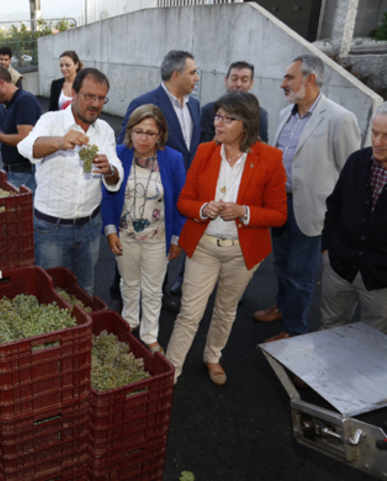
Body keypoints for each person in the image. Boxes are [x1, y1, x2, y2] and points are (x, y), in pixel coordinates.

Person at [165, 92, 287, 384]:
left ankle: (213, 357)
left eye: (226, 118)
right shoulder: (205, 151)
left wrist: (244, 212)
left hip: (242, 253)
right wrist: (203, 208)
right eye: (217, 116)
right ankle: (171, 369)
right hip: (204, 246)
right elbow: (184, 202)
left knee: (226, 311)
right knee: (189, 312)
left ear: (246, 123)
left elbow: (278, 214)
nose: (217, 123)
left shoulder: (271, 158)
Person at [254, 54, 361, 342]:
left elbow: (350, 173)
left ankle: (294, 329)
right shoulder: (284, 114)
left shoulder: (340, 118)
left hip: (313, 210)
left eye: (289, 78)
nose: (282, 84)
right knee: (281, 265)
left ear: (310, 79)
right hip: (279, 204)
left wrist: (340, 221)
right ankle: (282, 305)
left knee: (301, 274)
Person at [18, 68, 123, 296]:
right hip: (51, 228)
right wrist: (59, 141)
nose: (95, 103)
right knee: (50, 292)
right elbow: (25, 147)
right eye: (89, 96)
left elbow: (116, 175)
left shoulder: (104, 130)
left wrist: (109, 170)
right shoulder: (52, 120)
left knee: (85, 290)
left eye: (101, 98)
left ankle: (81, 331)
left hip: (90, 227)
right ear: (74, 94)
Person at [114, 50, 202, 310]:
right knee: (130, 248)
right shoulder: (144, 102)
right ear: (177, 75)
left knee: (161, 243)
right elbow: (125, 144)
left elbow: (188, 150)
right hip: (142, 190)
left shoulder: (194, 105)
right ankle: (120, 297)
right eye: (193, 72)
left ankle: (157, 292)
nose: (197, 78)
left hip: (175, 189)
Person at [101, 104, 186, 353]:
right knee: (128, 284)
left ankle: (150, 335)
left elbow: (180, 201)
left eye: (150, 132)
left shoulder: (172, 159)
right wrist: (110, 231)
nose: (143, 138)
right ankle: (130, 323)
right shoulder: (118, 154)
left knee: (152, 290)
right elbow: (107, 195)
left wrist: (176, 237)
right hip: (125, 236)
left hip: (157, 237)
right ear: (129, 130)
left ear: (160, 134)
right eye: (138, 131)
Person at [320, 103, 387, 334]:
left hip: (381, 283)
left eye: (386, 136)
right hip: (339, 267)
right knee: (330, 330)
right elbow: (335, 204)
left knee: (373, 344)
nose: (377, 142)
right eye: (375, 133)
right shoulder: (357, 160)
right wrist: (327, 249)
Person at [0, 66, 42, 190]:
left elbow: (24, 139)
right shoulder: (11, 103)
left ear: (1, 83)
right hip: (16, 173)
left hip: (24, 174)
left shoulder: (24, 101)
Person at [200, 61, 269, 144]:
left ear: (251, 84)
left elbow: (262, 143)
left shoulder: (260, 113)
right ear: (226, 80)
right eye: (234, 79)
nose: (238, 84)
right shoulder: (208, 109)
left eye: (244, 80)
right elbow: (203, 143)